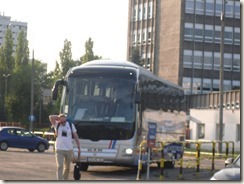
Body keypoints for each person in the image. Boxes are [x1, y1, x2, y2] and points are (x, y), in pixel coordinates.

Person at [49, 113, 81, 180]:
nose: (63, 123)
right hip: (59, 149)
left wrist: (79, 147)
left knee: (67, 167)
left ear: (66, 119)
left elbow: (76, 136)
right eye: (62, 121)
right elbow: (51, 117)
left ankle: (64, 179)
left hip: (69, 149)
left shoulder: (70, 125)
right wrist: (58, 117)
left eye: (64, 121)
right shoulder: (57, 124)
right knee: (60, 166)